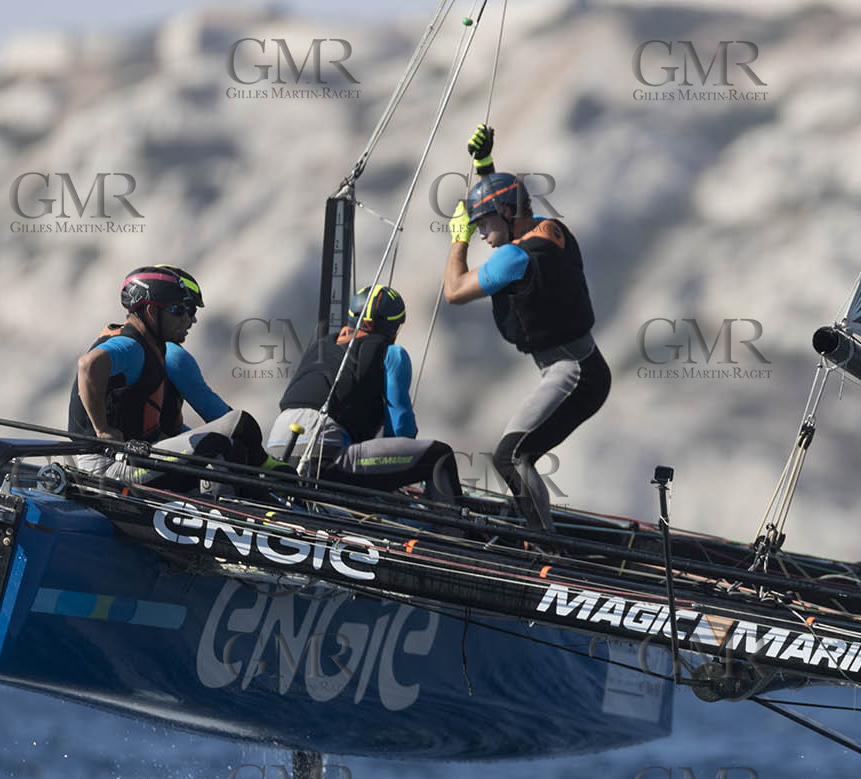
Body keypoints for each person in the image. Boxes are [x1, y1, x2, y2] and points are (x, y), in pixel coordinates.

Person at [441, 123, 610, 533]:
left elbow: (454, 291)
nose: (481, 234)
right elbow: (505, 207)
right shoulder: (550, 230)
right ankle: (544, 540)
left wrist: (456, 240)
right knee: (517, 454)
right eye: (475, 227)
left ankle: (546, 550)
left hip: (573, 371)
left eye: (483, 224)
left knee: (510, 456)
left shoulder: (514, 257)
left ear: (506, 215)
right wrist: (484, 166)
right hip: (582, 366)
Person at [69, 264, 272, 490]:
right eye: (179, 310)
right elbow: (88, 365)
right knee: (223, 437)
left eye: (190, 311)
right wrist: (102, 430)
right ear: (150, 311)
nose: (190, 319)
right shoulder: (132, 346)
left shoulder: (150, 347)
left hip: (129, 460)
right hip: (107, 469)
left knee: (230, 445)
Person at [267, 285, 463, 506]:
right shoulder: (392, 353)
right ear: (394, 329)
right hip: (325, 455)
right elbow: (400, 430)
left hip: (277, 451)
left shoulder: (320, 345)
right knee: (439, 457)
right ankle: (457, 534)